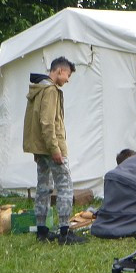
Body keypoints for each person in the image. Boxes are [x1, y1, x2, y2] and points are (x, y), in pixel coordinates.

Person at [22, 56, 88, 245]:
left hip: (40, 147)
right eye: (67, 74)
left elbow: (36, 123)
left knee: (43, 188)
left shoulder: (38, 89)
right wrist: (55, 149)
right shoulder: (50, 90)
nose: (68, 79)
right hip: (52, 147)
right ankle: (65, 233)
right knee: (65, 186)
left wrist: (41, 148)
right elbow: (47, 123)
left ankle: (42, 232)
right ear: (59, 71)